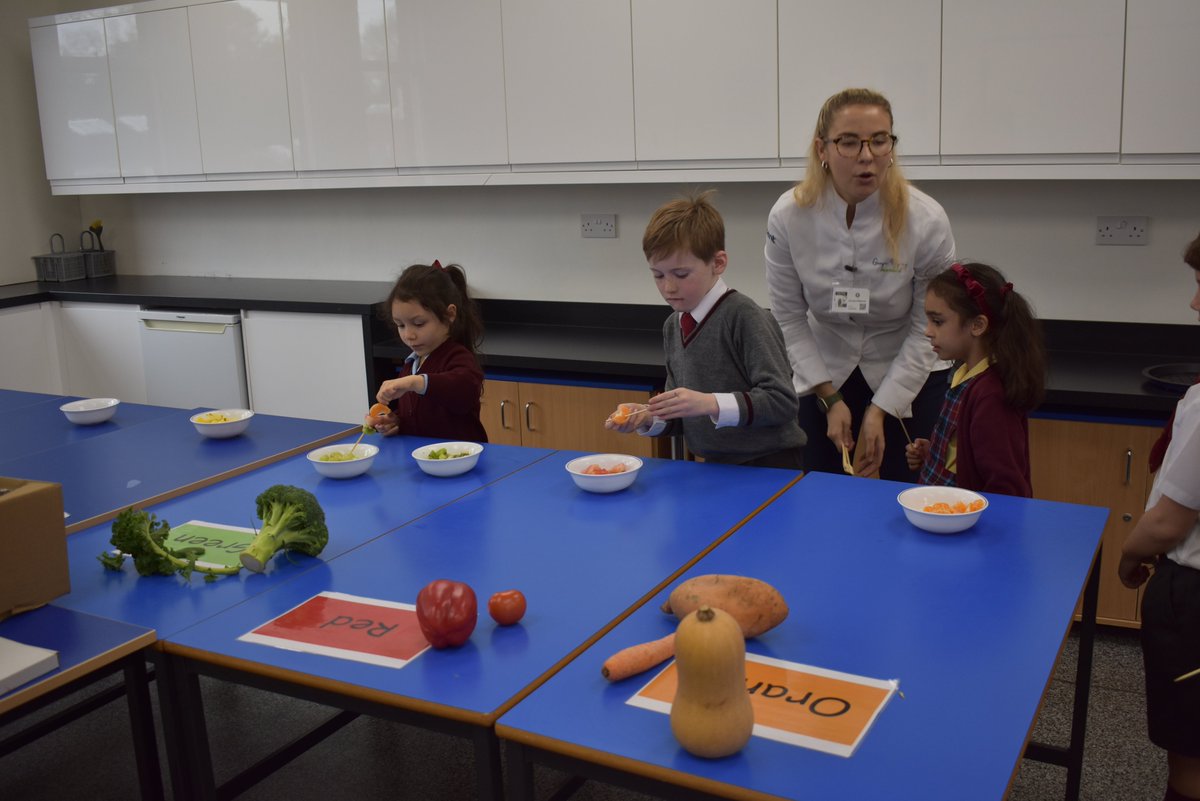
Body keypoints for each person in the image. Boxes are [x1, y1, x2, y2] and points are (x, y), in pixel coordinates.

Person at [765, 87, 956, 480]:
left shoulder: (926, 219)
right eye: (849, 142)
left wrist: (881, 408)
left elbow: (929, 326)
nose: (867, 156)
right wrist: (829, 397)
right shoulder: (789, 216)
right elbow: (788, 318)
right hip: (824, 369)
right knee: (820, 496)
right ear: (822, 148)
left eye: (879, 140)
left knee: (908, 500)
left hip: (910, 372)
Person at [605, 191, 805, 468]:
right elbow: (683, 415)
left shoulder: (745, 317)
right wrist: (649, 418)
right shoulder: (673, 326)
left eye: (681, 274)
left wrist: (710, 403)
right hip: (715, 466)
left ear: (718, 263)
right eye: (658, 275)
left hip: (770, 466)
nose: (668, 287)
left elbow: (782, 402)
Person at [1118, 232, 1200, 801]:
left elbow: (1169, 522)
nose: (1194, 304)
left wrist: (1129, 553)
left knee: (1190, 756)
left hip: (1192, 599)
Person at [902, 262, 1043, 496]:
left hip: (961, 522)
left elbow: (1006, 489)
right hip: (941, 510)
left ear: (977, 325)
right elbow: (965, 459)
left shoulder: (991, 395)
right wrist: (935, 453)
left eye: (937, 321)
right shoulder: (963, 374)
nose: (927, 331)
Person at [366, 261, 488, 442]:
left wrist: (415, 382)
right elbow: (420, 415)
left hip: (459, 461)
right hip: (424, 461)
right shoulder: (412, 365)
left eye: (419, 324)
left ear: (449, 314)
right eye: (400, 325)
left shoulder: (457, 356)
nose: (408, 335)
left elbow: (464, 390)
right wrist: (396, 421)